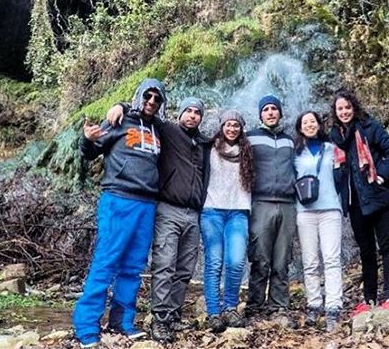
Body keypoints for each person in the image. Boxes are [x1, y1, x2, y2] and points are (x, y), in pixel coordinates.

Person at [106, 96, 211, 343]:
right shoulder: (167, 130)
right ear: (179, 114)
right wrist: (120, 106)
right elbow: (145, 110)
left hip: (193, 213)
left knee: (185, 268)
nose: (192, 115)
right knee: (165, 265)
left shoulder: (204, 143)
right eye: (188, 111)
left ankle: (174, 314)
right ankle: (160, 318)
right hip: (168, 208)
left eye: (197, 112)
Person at [72, 78, 167, 348]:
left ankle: (122, 322)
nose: (151, 102)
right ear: (139, 96)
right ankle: (86, 327)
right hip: (118, 199)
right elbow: (91, 150)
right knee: (106, 262)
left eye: (156, 98)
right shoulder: (120, 119)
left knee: (134, 267)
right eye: (147, 96)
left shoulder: (158, 128)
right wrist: (86, 140)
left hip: (147, 204)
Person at [330, 89, 389, 314]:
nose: (344, 112)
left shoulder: (370, 127)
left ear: (354, 108)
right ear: (335, 111)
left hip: (379, 197)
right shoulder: (335, 137)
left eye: (347, 107)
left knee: (387, 247)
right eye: (340, 109)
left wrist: (381, 175)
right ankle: (369, 299)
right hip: (355, 202)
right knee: (366, 251)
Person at [201, 110, 254, 332]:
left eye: (236, 125)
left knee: (235, 262)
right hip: (212, 211)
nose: (232, 128)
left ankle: (231, 307)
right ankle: (214, 312)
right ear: (221, 126)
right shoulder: (209, 147)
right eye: (228, 124)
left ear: (241, 128)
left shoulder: (248, 151)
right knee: (214, 263)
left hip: (239, 211)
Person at [245, 94, 296, 319]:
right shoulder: (250, 138)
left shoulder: (290, 140)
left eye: (274, 108)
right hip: (261, 202)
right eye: (265, 109)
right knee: (260, 257)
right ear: (260, 114)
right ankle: (255, 304)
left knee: (282, 258)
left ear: (280, 113)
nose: (270, 112)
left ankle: (279, 304)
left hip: (287, 204)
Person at [293, 111, 343, 331]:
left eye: (312, 121)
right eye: (305, 122)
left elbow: (342, 177)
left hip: (331, 208)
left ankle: (333, 305)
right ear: (300, 128)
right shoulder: (294, 153)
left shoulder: (332, 149)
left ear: (319, 125)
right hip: (304, 211)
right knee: (310, 261)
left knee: (332, 259)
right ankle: (314, 304)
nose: (309, 125)